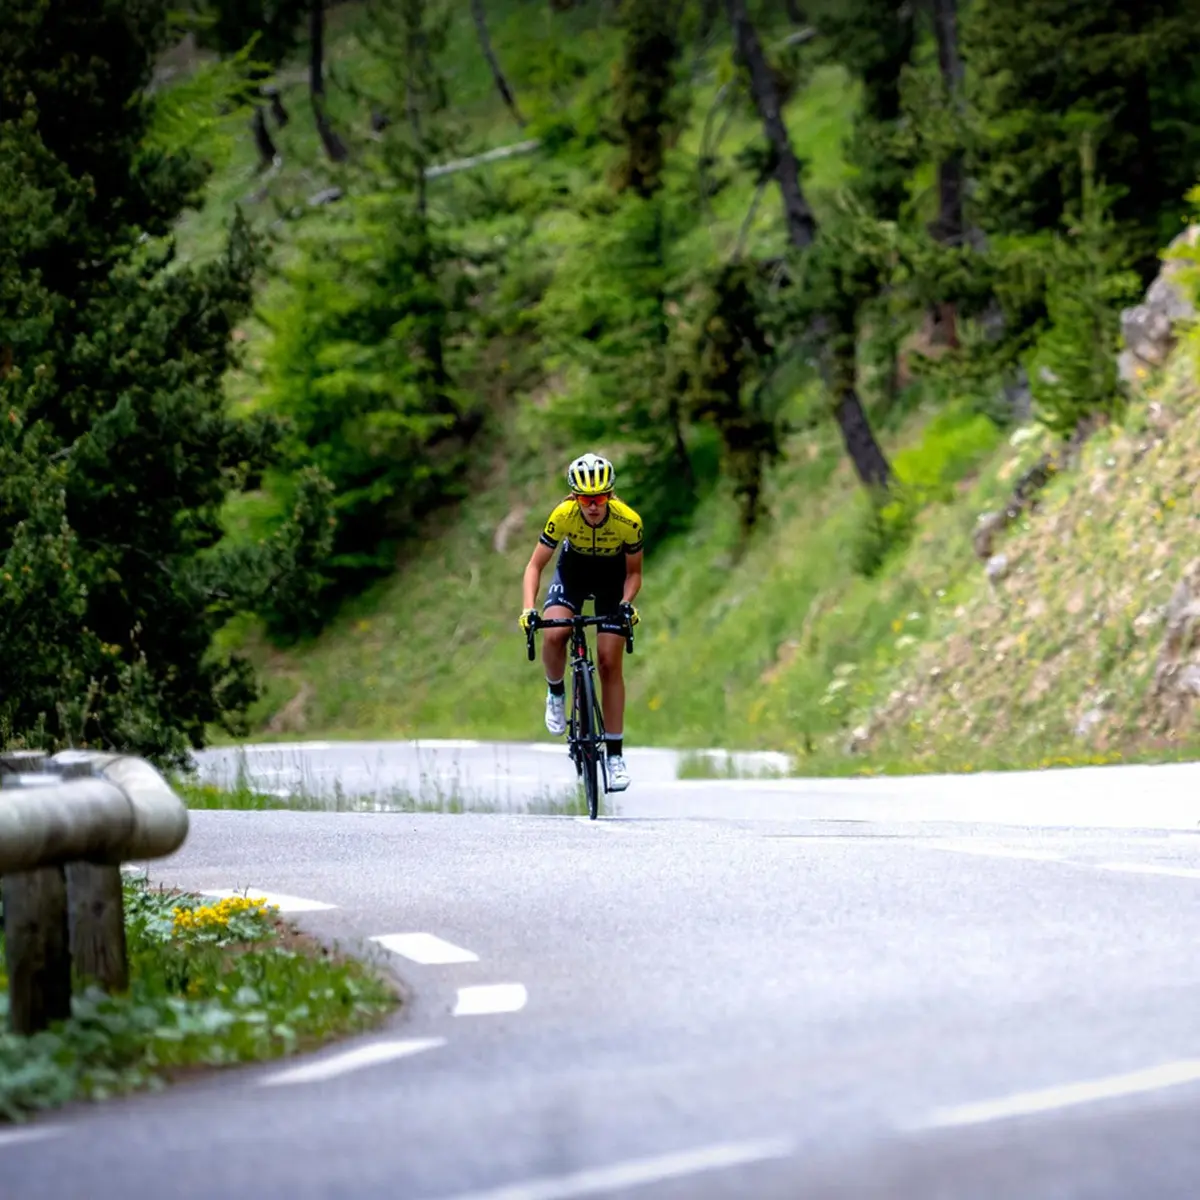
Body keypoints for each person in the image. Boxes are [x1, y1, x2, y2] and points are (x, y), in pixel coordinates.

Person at [520, 452, 643, 791]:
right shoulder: (562, 516)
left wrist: (625, 603)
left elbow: (634, 574)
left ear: (610, 495)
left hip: (610, 579)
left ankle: (615, 756)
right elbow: (534, 566)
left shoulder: (628, 521)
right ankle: (556, 693)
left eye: (600, 497)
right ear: (575, 497)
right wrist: (529, 608)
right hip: (572, 574)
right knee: (556, 632)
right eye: (586, 498)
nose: (593, 505)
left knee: (608, 662)